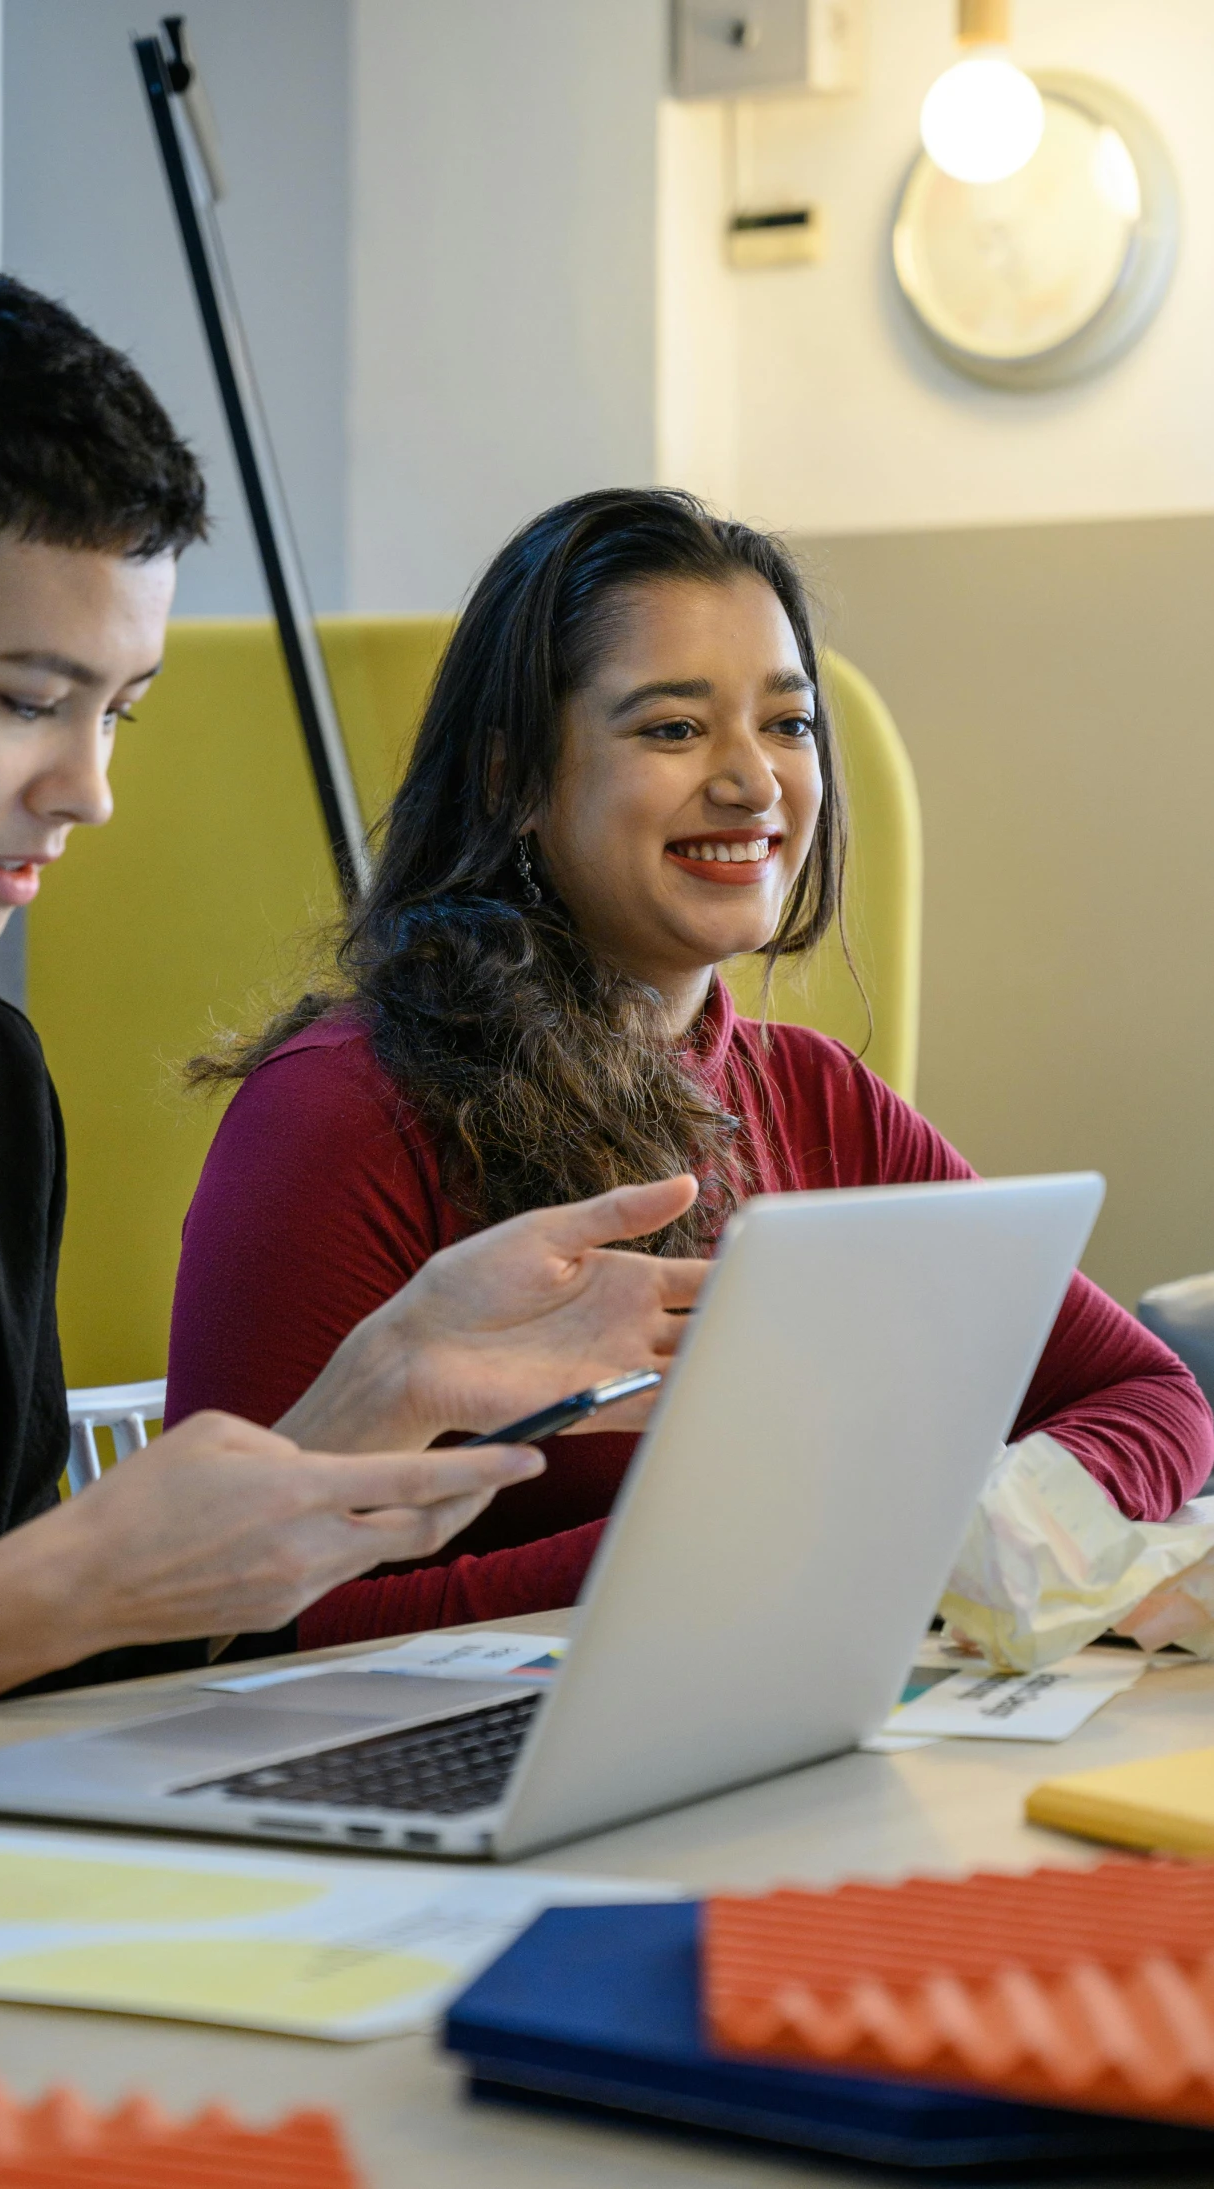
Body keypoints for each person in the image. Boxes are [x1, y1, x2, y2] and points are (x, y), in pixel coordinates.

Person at [0, 265, 708, 1725]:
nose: (86, 788)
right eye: (27, 698)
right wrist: (75, 1582)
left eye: (118, 710)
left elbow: (25, 1681)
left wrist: (379, 1387)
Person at [168, 487, 1214, 1648]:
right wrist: (711, 1549)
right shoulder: (338, 1110)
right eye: (673, 729)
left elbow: (1149, 1397)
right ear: (513, 778)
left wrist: (981, 1522)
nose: (754, 782)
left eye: (789, 723)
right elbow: (222, 1629)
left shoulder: (820, 1097)